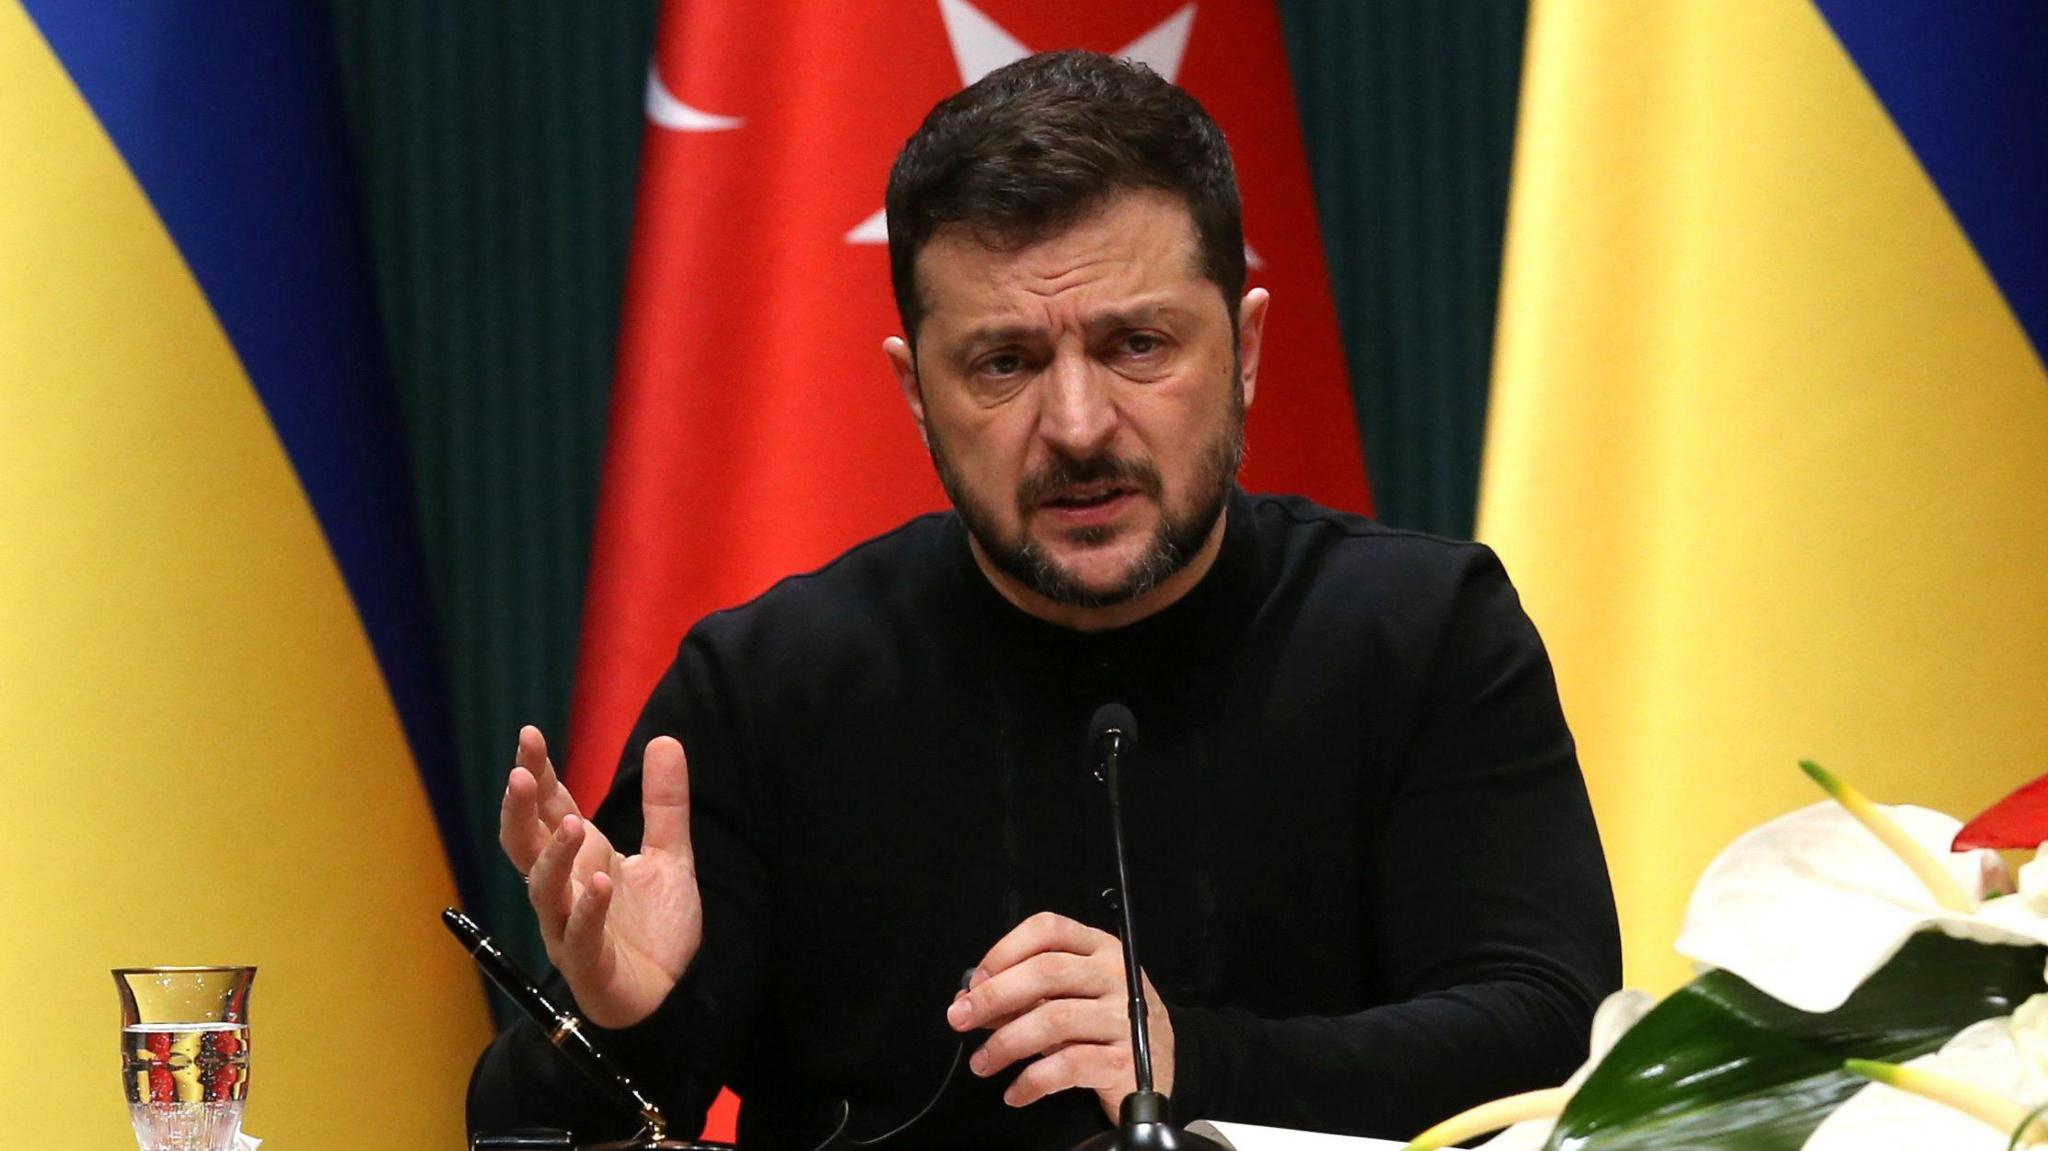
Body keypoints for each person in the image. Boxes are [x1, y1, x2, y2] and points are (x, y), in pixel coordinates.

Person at [469, 50, 1621, 1150]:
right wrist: (615, 1023)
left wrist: (1191, 1059)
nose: (1076, 427)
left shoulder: (1421, 633)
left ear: (1248, 350)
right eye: (1003, 364)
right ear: (914, 392)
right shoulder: (769, 685)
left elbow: (1554, 1035)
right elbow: (526, 1121)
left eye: (1136, 345)